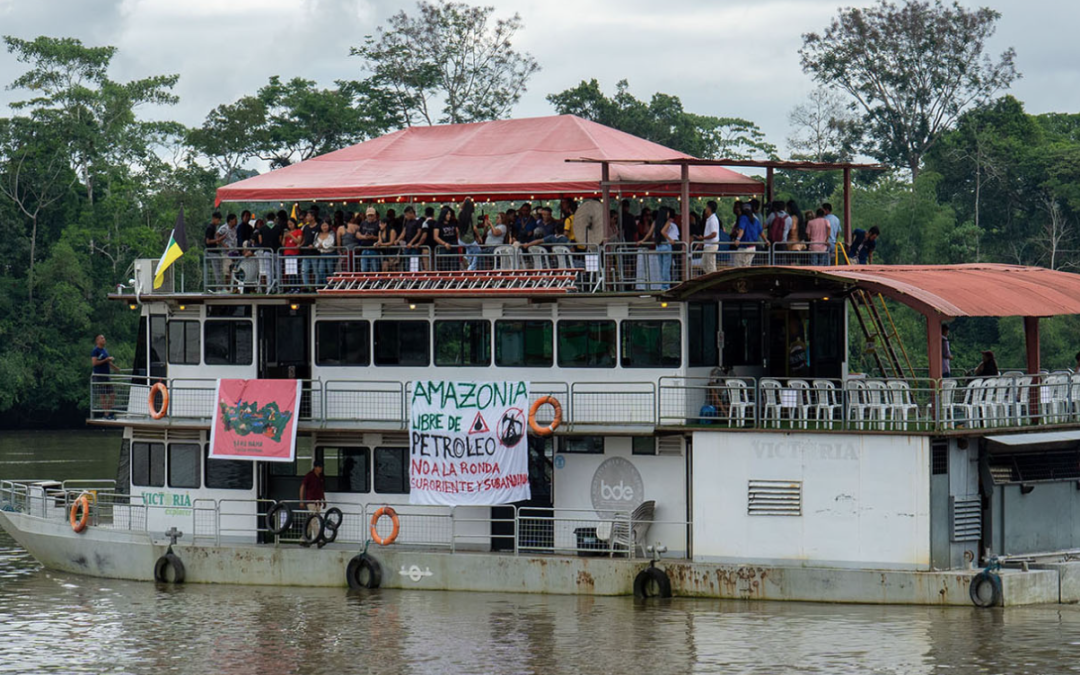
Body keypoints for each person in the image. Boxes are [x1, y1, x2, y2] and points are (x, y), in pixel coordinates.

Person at [91, 334, 121, 419]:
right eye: (101, 338)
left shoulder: (105, 350)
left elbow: (108, 362)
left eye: (104, 338)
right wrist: (106, 360)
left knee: (112, 394)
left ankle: (107, 412)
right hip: (100, 375)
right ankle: (106, 414)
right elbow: (94, 363)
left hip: (106, 375)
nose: (104, 339)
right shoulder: (95, 351)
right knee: (103, 395)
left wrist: (115, 368)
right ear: (97, 341)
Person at [299, 461, 326, 546]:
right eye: (319, 467)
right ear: (315, 467)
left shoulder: (320, 477)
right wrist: (301, 500)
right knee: (314, 520)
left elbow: (321, 489)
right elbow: (302, 487)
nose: (321, 469)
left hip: (318, 502)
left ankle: (304, 538)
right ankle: (319, 539)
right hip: (310, 501)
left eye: (321, 467)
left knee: (311, 521)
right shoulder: (309, 476)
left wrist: (324, 500)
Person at [401, 206, 428, 271]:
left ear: (411, 213)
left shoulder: (419, 221)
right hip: (408, 245)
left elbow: (418, 233)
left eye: (407, 215)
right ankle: (407, 277)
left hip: (414, 246)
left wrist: (412, 242)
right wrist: (398, 239)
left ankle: (415, 277)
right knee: (407, 264)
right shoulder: (407, 222)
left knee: (414, 264)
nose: (406, 217)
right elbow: (404, 232)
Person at [299, 210, 320, 286]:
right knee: (305, 270)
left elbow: (319, 238)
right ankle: (306, 286)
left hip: (314, 253)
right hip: (306, 252)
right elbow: (304, 238)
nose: (306, 218)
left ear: (313, 217)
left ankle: (316, 286)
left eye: (308, 216)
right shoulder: (305, 227)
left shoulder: (318, 227)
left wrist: (314, 246)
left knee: (315, 271)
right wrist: (301, 245)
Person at [700, 200, 721, 274]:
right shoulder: (710, 219)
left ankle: (714, 280)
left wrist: (703, 238)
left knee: (710, 265)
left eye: (706, 207)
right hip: (708, 245)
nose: (705, 209)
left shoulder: (713, 219)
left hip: (711, 245)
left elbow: (714, 234)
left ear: (709, 208)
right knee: (704, 265)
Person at [357, 207, 380, 273]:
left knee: (375, 269)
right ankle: (366, 282)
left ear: (375, 215)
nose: (370, 217)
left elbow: (381, 237)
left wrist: (373, 237)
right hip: (364, 249)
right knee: (364, 269)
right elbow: (358, 233)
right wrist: (363, 237)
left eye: (371, 215)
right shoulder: (363, 223)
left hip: (374, 249)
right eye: (368, 215)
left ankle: (375, 282)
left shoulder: (378, 224)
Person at [313, 219, 336, 285]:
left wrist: (322, 245)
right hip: (322, 254)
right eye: (323, 226)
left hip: (330, 253)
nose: (324, 227)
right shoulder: (317, 234)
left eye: (326, 225)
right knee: (321, 270)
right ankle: (324, 284)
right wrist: (319, 246)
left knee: (330, 270)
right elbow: (315, 243)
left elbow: (331, 243)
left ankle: (332, 285)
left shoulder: (331, 233)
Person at [204, 211, 224, 288]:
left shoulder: (214, 227)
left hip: (215, 250)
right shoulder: (210, 227)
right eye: (218, 220)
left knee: (219, 268)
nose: (219, 222)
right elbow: (208, 241)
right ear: (214, 219)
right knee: (216, 269)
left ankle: (220, 285)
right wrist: (218, 240)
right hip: (211, 251)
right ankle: (219, 286)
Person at [281, 218, 301, 291]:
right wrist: (284, 237)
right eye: (288, 224)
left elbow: (298, 241)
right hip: (287, 253)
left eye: (291, 224)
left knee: (296, 271)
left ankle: (297, 287)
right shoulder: (287, 232)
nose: (290, 226)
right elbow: (283, 244)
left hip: (294, 253)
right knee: (290, 272)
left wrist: (291, 236)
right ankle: (292, 287)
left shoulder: (298, 231)